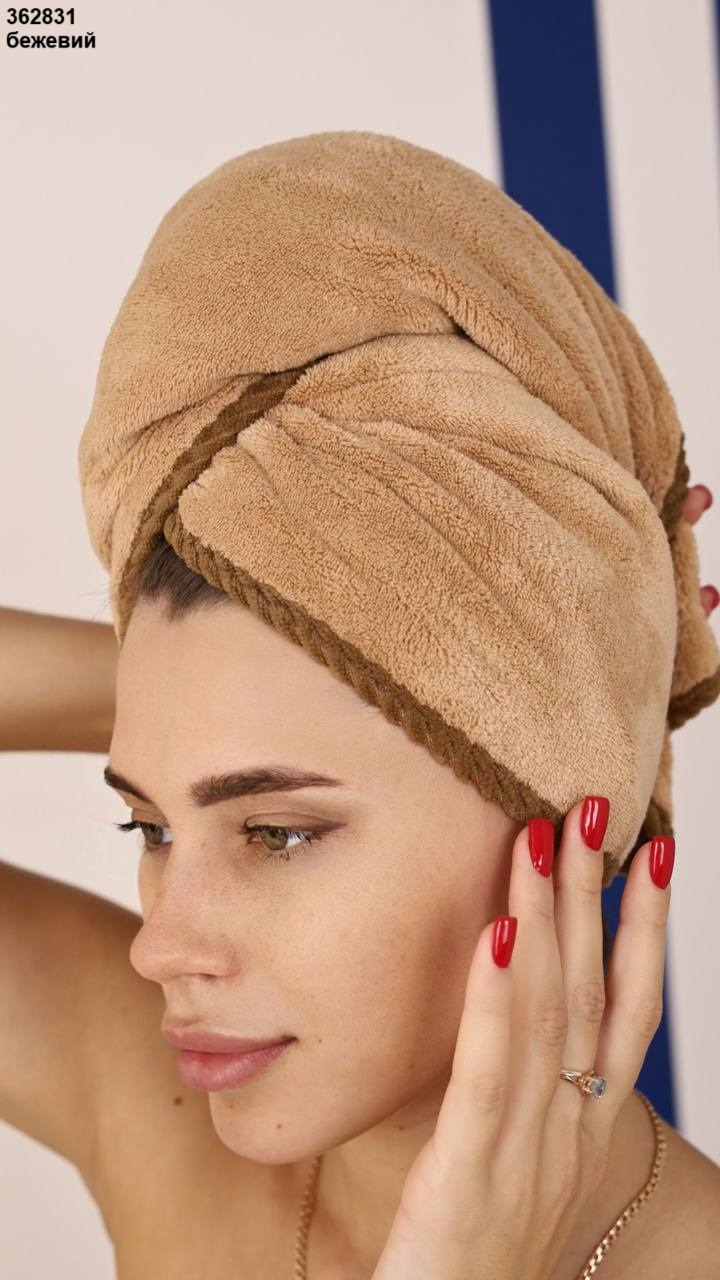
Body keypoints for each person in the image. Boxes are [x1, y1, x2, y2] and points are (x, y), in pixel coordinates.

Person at [0, 484, 717, 1278]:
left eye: (277, 834)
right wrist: (187, 682)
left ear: (548, 806)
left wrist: (592, 699)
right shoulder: (162, 1113)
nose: (158, 951)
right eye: (152, 829)